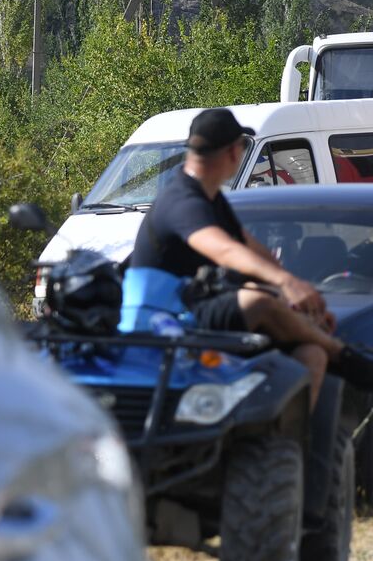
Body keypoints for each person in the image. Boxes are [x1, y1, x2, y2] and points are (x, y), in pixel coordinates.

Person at [129, 108, 343, 408]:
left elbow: (250, 249)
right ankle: (341, 353)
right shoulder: (182, 200)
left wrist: (298, 301)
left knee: (310, 355)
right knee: (258, 302)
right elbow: (224, 250)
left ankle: (286, 445)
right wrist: (285, 282)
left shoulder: (212, 199)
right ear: (233, 152)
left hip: (191, 313)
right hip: (162, 321)